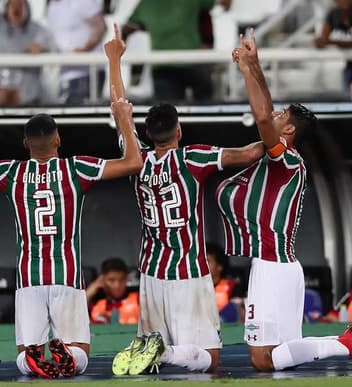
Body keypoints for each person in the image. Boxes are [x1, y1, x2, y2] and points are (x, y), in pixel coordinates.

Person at [216, 29, 352, 373]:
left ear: (288, 131)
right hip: (282, 266)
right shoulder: (283, 159)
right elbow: (267, 114)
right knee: (279, 356)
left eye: (281, 116)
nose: (273, 115)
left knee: (262, 359)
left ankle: (344, 343)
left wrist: (249, 71)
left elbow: (263, 117)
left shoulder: (285, 158)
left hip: (271, 267)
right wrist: (254, 67)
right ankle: (346, 343)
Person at [0, 82, 142, 378]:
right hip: (68, 274)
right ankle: (67, 355)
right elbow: (133, 162)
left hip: (29, 278)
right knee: (81, 356)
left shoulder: (12, 172)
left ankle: (33, 358)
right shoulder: (77, 169)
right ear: (58, 140)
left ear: (25, 144)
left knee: (24, 361)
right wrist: (124, 122)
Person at [104, 24, 264, 375]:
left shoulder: (136, 158)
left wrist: (114, 58)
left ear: (148, 133)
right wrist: (277, 132)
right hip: (188, 270)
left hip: (150, 270)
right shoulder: (194, 158)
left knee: (165, 360)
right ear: (179, 131)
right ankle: (162, 353)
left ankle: (155, 349)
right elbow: (249, 153)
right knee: (210, 358)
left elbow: (119, 109)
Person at [122, 0, 231, 102]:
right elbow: (225, 3)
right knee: (205, 114)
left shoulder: (145, 3)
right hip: (195, 61)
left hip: (163, 66)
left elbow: (127, 29)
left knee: (166, 117)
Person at [0, 0, 54, 106]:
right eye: (13, 5)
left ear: (27, 8)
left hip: (27, 98)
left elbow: (53, 49)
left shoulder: (37, 31)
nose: (16, 9)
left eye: (20, 5)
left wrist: (42, 49)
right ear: (6, 8)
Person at [46, 0, 106, 104]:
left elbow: (100, 27)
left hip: (86, 72)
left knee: (81, 117)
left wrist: (86, 49)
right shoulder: (52, 4)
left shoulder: (83, 2)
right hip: (64, 73)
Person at [87, 258, 139, 325]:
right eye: (111, 280)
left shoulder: (138, 299)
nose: (117, 285)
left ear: (127, 279)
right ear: (102, 279)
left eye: (121, 279)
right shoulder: (95, 305)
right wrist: (88, 294)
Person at [206, 242, 242, 323]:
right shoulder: (194, 288)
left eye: (207, 261)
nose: (203, 265)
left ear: (219, 266)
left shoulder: (232, 288)